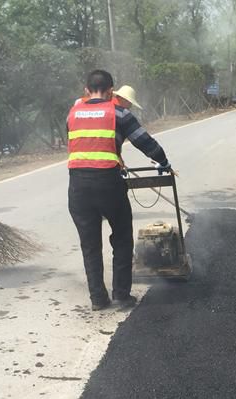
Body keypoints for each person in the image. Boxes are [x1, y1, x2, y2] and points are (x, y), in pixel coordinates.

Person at [67, 69, 171, 311]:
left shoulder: (73, 114)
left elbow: (81, 144)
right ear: (111, 91)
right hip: (108, 183)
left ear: (86, 90)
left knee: (90, 245)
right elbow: (144, 141)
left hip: (78, 186)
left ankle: (97, 299)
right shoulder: (118, 113)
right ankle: (121, 296)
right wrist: (163, 161)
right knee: (122, 238)